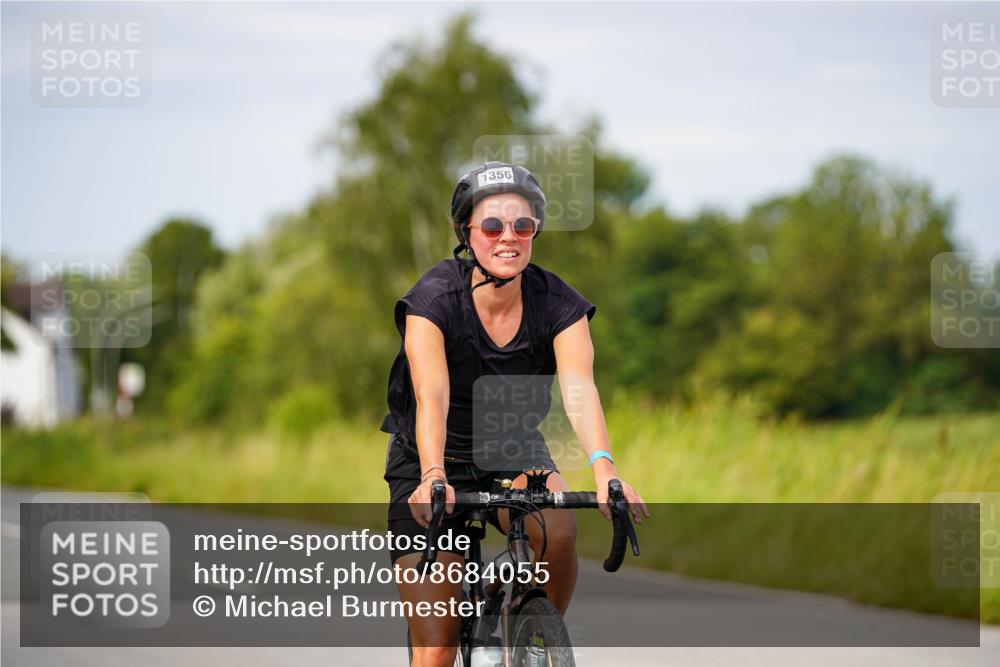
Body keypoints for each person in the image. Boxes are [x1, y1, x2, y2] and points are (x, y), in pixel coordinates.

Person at [381, 161, 649, 667]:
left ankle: (535, 635)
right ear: (467, 233)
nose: (510, 237)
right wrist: (433, 475)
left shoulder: (556, 301)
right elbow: (431, 392)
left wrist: (605, 470)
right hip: (429, 458)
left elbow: (578, 387)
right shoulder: (434, 299)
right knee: (436, 646)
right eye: (493, 226)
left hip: (513, 450)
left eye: (523, 226)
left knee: (559, 528)